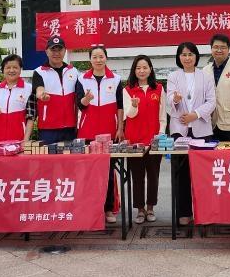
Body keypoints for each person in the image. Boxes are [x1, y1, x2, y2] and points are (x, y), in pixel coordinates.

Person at [167, 42, 216, 226]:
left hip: (201, 129)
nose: (187, 58)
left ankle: (205, 213)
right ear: (178, 57)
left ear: (196, 56)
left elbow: (211, 101)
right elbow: (169, 99)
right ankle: (184, 213)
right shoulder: (173, 76)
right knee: (181, 173)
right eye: (183, 54)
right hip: (179, 130)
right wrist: (175, 99)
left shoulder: (206, 76)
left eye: (190, 54)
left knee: (203, 173)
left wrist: (195, 115)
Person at [75, 46, 124, 224]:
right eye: (95, 57)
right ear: (90, 60)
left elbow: (120, 106)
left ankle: (109, 208)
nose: (98, 60)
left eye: (101, 56)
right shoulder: (82, 79)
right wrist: (86, 100)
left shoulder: (116, 79)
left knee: (108, 172)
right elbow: (79, 104)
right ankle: (90, 208)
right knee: (88, 172)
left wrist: (120, 128)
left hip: (109, 132)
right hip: (87, 132)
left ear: (106, 58)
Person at [123, 55, 166, 224]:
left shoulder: (159, 89)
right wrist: (134, 105)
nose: (141, 71)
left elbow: (162, 116)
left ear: (150, 69)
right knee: (137, 176)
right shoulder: (128, 90)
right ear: (134, 71)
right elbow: (129, 115)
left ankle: (150, 208)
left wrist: (160, 134)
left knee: (153, 176)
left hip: (154, 140)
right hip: (135, 142)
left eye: (145, 67)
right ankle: (140, 210)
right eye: (138, 68)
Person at [30, 36, 79, 144]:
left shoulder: (73, 71)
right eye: (53, 50)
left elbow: (79, 97)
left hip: (70, 128)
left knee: (70, 155)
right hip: (48, 128)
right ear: (46, 51)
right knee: (48, 155)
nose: (56, 53)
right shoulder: (39, 72)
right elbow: (39, 90)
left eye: (59, 49)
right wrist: (42, 95)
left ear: (65, 51)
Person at [202, 34, 230, 141]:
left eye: (223, 47)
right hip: (211, 124)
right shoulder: (205, 70)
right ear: (211, 49)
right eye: (216, 47)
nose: (219, 50)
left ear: (228, 49)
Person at [0, 54, 34, 143]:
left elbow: (31, 117)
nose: (11, 70)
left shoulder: (29, 89)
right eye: (8, 68)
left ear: (20, 69)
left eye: (15, 67)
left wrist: (26, 139)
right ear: (3, 70)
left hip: (19, 140)